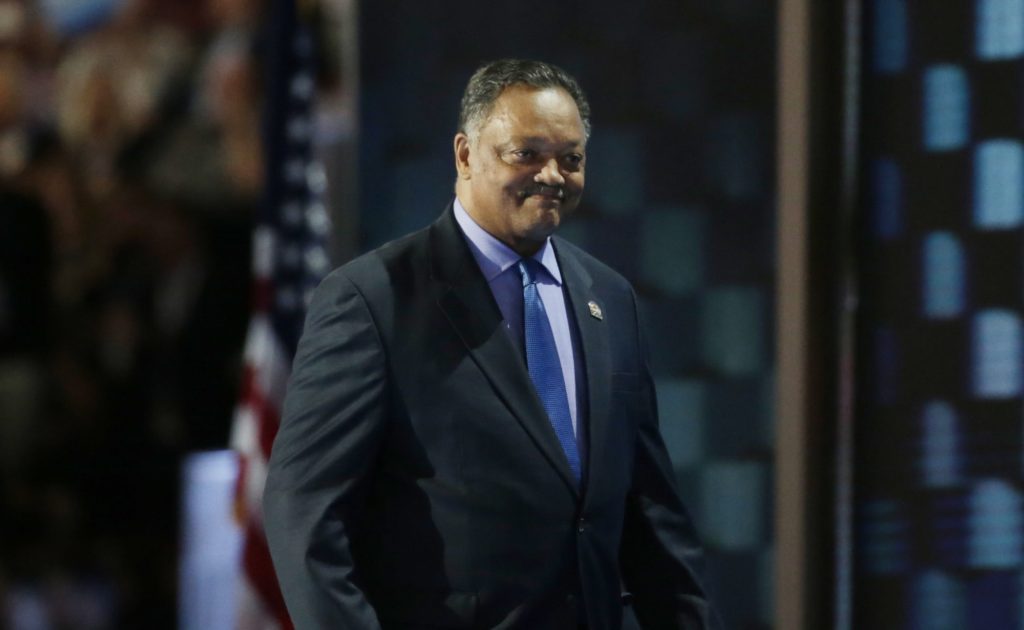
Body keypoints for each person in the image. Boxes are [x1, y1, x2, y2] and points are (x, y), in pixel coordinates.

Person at [263, 59, 717, 629]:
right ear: (465, 155)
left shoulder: (610, 298)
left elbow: (652, 516)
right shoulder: (372, 299)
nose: (552, 174)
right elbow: (303, 513)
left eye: (570, 159)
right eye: (526, 153)